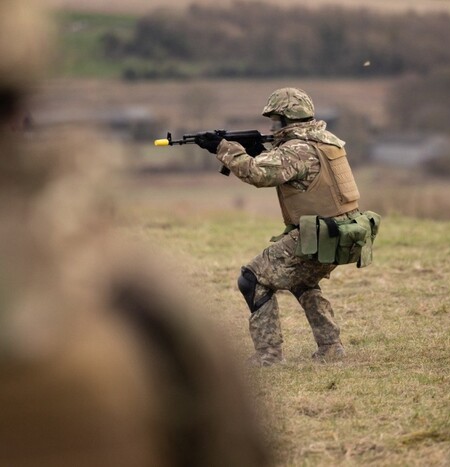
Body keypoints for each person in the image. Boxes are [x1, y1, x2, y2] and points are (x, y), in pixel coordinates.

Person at [0, 1, 271, 465]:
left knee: (260, 278)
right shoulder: (132, 304)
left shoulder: (131, 303)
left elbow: (263, 172)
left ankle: (291, 351)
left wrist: (226, 147)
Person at [194, 87, 379, 366]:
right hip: (342, 235)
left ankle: (268, 356)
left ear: (286, 119)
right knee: (303, 281)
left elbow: (257, 174)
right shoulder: (326, 140)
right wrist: (262, 152)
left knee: (252, 280)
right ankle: (330, 348)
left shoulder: (296, 150)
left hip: (319, 235)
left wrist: (223, 148)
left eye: (275, 120)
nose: (272, 126)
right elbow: (295, 171)